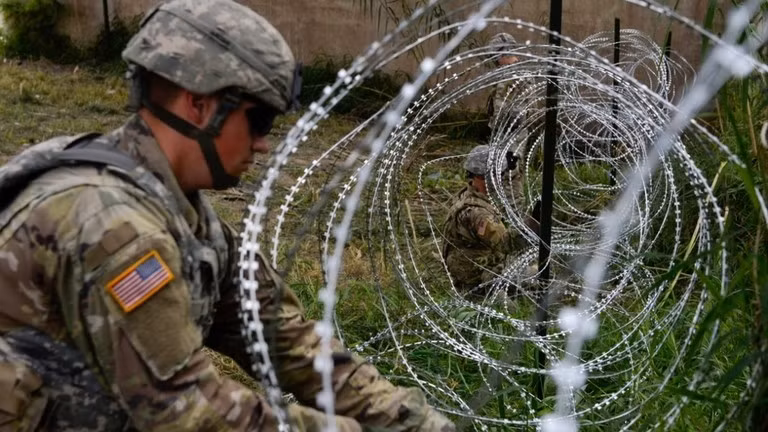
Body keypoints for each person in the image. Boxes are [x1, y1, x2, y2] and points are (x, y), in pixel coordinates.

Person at [0, 1, 454, 431]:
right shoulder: (113, 227)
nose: (263, 144)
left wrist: (405, 419)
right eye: (258, 122)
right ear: (198, 103)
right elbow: (189, 415)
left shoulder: (185, 217)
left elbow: (287, 340)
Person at [441, 145, 535, 296]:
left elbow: (512, 201)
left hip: (481, 267)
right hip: (478, 278)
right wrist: (533, 225)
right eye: (498, 173)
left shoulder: (469, 194)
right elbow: (507, 244)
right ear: (482, 177)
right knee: (534, 279)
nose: (501, 178)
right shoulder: (478, 214)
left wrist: (514, 174)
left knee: (535, 274)